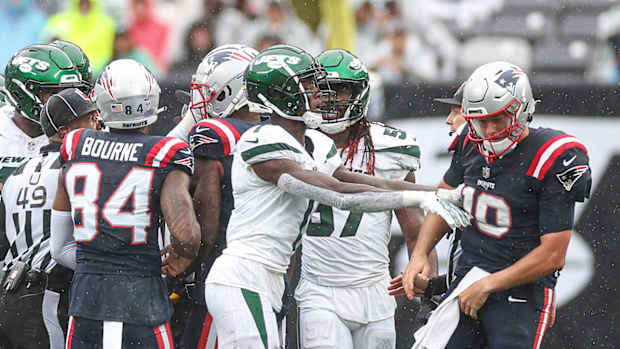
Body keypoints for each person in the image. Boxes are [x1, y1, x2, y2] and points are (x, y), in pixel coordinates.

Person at [203, 44, 470, 349]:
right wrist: (420, 199)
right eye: (308, 85)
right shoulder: (262, 141)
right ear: (281, 94)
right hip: (249, 276)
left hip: (277, 280)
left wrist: (438, 194)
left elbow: (366, 183)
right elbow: (340, 194)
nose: (320, 93)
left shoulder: (313, 142)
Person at [397, 61, 592, 348]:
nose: (487, 131)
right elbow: (443, 199)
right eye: (480, 120)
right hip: (469, 277)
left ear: (521, 109)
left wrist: (488, 284)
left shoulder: (553, 155)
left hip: (522, 289)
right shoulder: (469, 141)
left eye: (497, 119)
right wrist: (420, 255)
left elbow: (553, 255)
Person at [50, 59, 201, 347]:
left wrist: (98, 268)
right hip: (142, 302)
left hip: (87, 304)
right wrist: (177, 258)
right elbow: (186, 235)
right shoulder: (166, 151)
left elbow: (59, 248)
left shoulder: (76, 144)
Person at [294, 48, 433, 349]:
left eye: (340, 90)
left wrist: (427, 282)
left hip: (375, 291)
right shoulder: (295, 142)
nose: (330, 99)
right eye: (323, 90)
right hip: (320, 289)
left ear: (359, 94)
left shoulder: (390, 148)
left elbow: (414, 230)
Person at [0, 88, 99, 349]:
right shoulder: (78, 168)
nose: (97, 123)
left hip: (10, 291)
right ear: (65, 131)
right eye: (89, 118)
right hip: (49, 294)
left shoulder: (16, 173)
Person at [178, 44, 262, 349]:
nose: (199, 100)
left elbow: (207, 222)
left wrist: (188, 263)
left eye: (208, 90)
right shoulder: (280, 135)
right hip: (270, 275)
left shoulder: (215, 134)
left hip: (223, 270)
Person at [0, 44, 84, 190]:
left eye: (68, 93)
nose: (64, 102)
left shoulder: (77, 134)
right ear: (21, 93)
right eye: (53, 94)